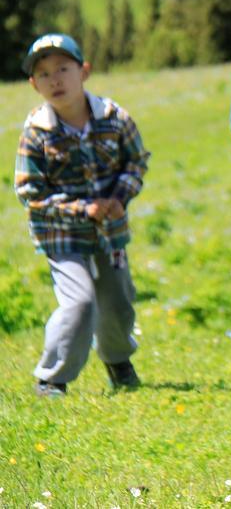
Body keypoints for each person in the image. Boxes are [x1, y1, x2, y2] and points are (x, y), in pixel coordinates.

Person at [15, 33, 150, 398]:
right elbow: (30, 192)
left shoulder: (115, 118)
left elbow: (137, 161)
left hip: (111, 230)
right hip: (61, 235)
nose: (55, 79)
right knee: (80, 302)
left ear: (84, 71)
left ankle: (118, 362)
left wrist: (120, 196)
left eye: (63, 69)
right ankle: (52, 379)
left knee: (118, 302)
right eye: (43, 74)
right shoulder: (37, 133)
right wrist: (82, 209)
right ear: (33, 84)